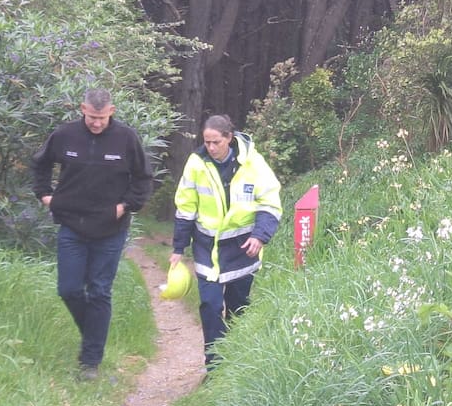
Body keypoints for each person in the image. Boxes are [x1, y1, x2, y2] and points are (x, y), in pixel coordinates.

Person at [31, 88, 154, 381]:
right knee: (69, 289)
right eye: (91, 117)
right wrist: (46, 196)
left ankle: (90, 363)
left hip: (110, 230)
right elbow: (40, 164)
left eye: (101, 118)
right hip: (72, 226)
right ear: (82, 109)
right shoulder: (65, 135)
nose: (96, 123)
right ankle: (94, 337)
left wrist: (125, 206)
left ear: (111, 111)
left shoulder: (126, 138)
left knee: (99, 292)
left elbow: (143, 178)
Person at [170, 115, 282, 370]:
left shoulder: (254, 163)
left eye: (216, 142)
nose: (210, 147)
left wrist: (259, 236)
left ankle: (235, 364)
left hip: (242, 249)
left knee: (238, 308)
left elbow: (270, 202)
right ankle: (214, 366)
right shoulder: (196, 164)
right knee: (210, 306)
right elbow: (186, 206)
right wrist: (178, 248)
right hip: (206, 248)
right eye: (206, 142)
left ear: (229, 138)